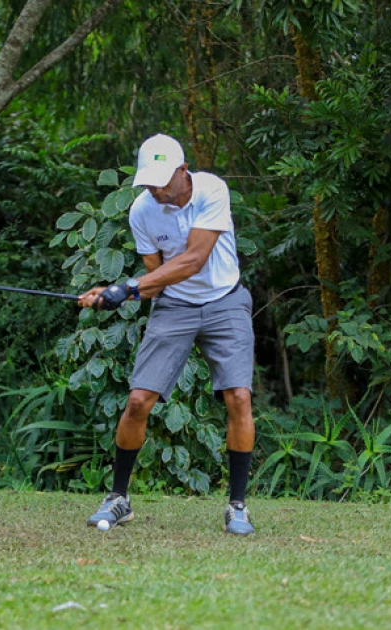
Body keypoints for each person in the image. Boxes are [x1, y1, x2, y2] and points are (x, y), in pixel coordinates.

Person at [77, 133, 256, 535]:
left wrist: (130, 285)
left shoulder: (212, 190)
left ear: (182, 170)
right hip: (173, 305)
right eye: (149, 181)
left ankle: (238, 506)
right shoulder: (142, 211)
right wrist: (114, 294)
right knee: (139, 400)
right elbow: (155, 280)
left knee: (239, 396)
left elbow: (193, 259)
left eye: (163, 179)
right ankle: (119, 499)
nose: (157, 189)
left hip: (225, 301)